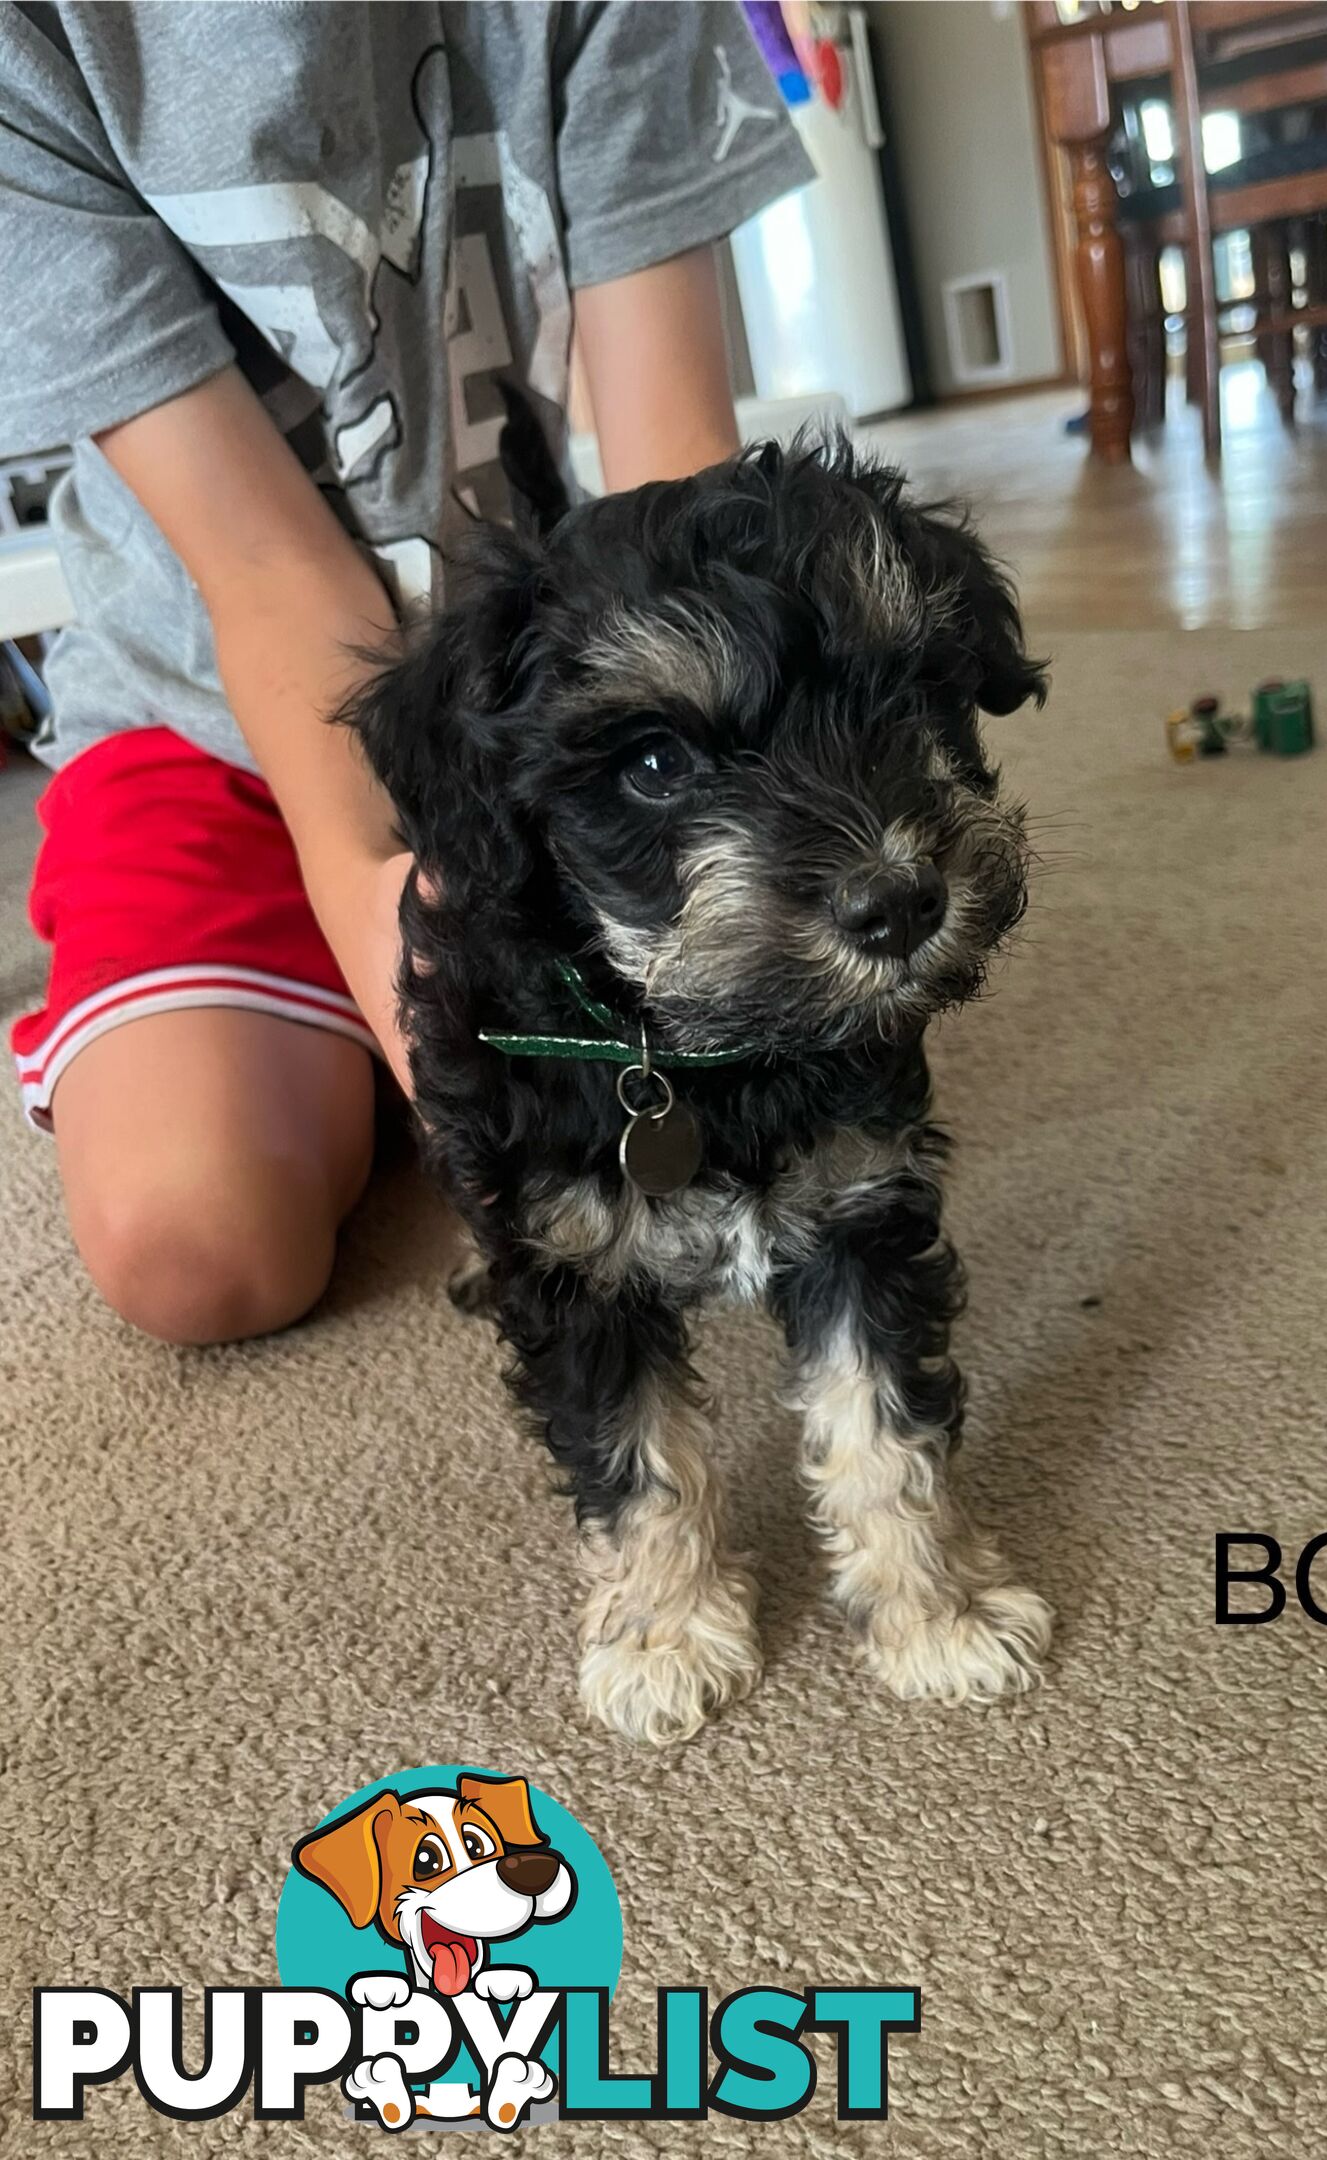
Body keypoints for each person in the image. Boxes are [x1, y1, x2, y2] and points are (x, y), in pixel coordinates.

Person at [0, 1, 812, 1344]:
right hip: (203, 726)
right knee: (200, 1256)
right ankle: (329, 1014)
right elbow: (266, 571)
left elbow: (674, 472)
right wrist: (377, 917)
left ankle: (335, 1032)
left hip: (537, 716)